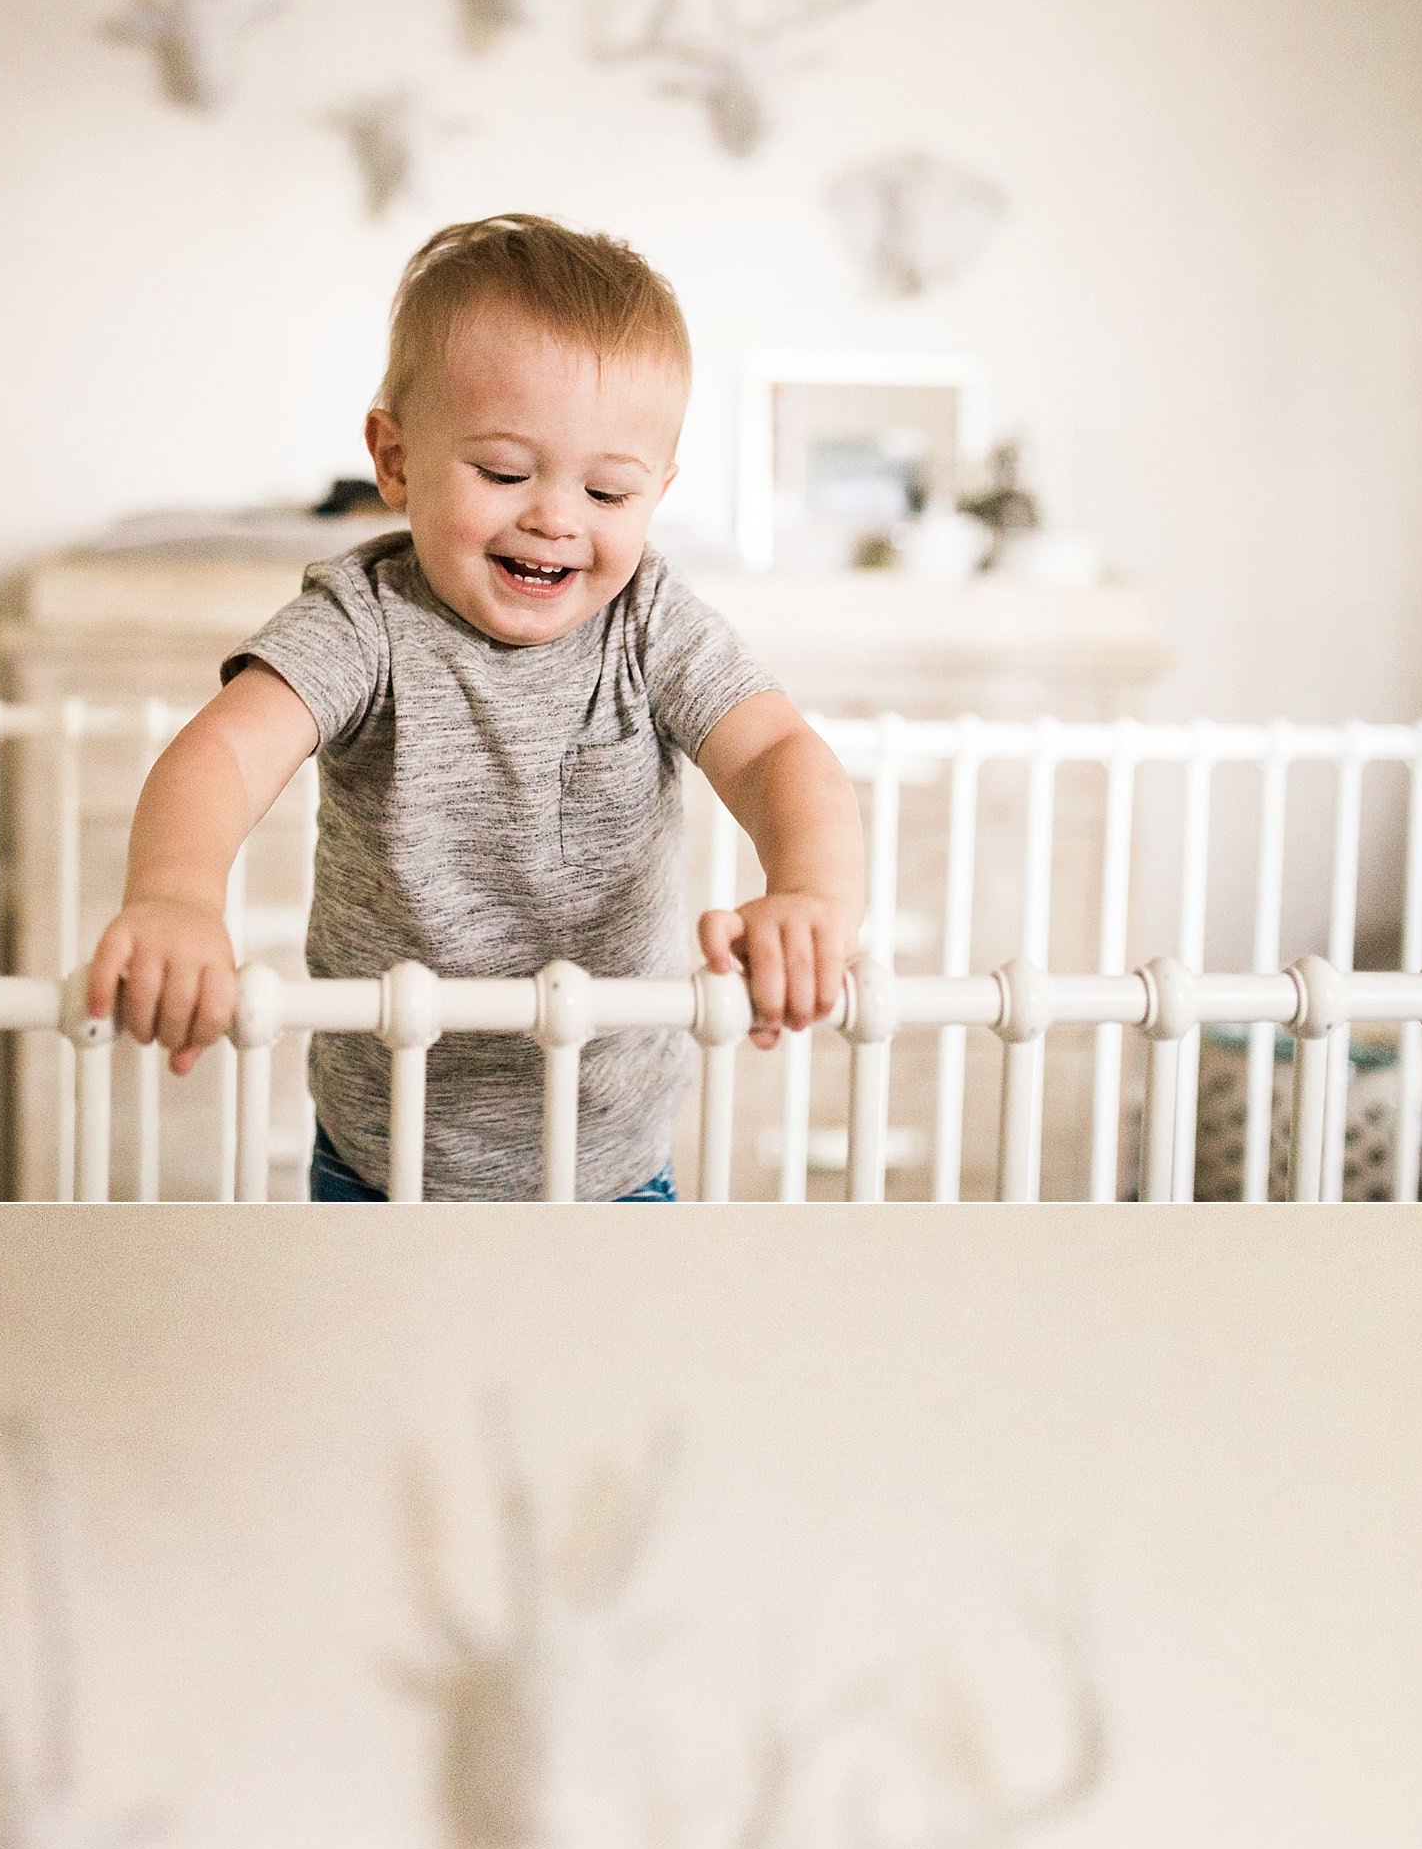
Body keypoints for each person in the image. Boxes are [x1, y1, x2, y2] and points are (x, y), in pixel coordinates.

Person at [85, 216, 866, 1203]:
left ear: (656, 493)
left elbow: (773, 753)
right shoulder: (364, 619)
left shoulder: (648, 622)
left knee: (607, 1360)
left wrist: (810, 890)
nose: (554, 517)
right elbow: (225, 755)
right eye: (503, 473)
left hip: (613, 1159)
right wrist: (175, 898)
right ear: (396, 459)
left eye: (608, 491)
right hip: (382, 1150)